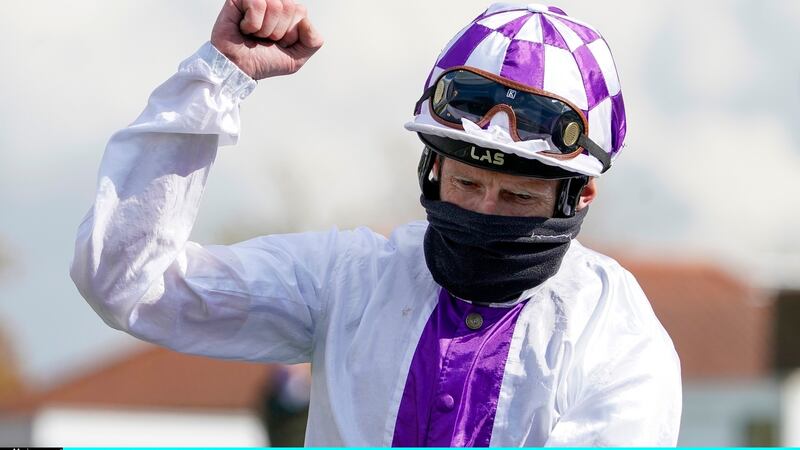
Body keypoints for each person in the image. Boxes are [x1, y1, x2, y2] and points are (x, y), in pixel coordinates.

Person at [71, 0, 682, 446]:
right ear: (430, 168)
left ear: (580, 197)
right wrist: (219, 75)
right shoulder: (348, 278)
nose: (484, 211)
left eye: (518, 197)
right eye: (467, 183)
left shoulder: (619, 340)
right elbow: (129, 282)